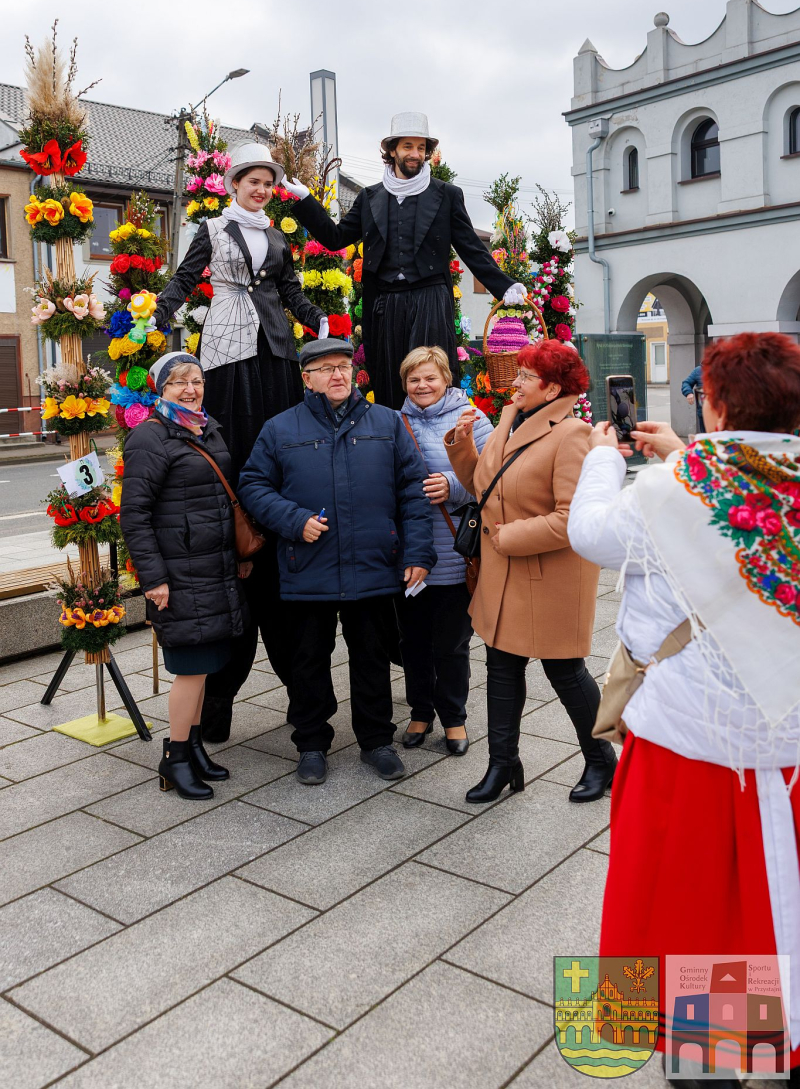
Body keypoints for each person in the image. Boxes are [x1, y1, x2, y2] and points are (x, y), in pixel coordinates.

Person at [568, 332, 800, 1086]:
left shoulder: (672, 488)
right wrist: (684, 452)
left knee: (685, 903)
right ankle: (781, 1033)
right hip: (791, 747)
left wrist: (604, 458)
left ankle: (704, 1057)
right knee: (780, 899)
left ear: (718, 405)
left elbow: (589, 533)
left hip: (690, 744)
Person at [153, 141, 328, 744]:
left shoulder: (278, 237)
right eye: (252, 181)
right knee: (231, 424)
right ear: (233, 184)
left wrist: (316, 319)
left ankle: (270, 491)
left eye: (267, 183)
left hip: (275, 343)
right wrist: (161, 311)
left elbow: (290, 290)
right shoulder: (211, 228)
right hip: (227, 343)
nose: (260, 190)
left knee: (275, 424)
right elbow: (185, 278)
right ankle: (237, 496)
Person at [237, 337, 436, 785]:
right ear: (306, 379)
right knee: (308, 660)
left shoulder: (387, 422)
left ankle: (377, 741)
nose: (337, 375)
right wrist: (293, 520)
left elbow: (413, 491)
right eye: (326, 369)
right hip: (310, 566)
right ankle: (311, 744)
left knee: (372, 657)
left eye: (343, 366)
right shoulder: (281, 428)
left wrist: (418, 552)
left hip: (373, 565)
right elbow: (252, 485)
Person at [445, 340, 616, 804]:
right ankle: (503, 765)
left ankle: (602, 760)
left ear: (553, 388)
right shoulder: (511, 418)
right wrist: (462, 444)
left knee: (566, 672)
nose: (515, 382)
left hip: (550, 574)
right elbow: (484, 488)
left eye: (525, 376)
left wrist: (510, 538)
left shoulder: (573, 434)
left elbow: (572, 518)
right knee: (501, 668)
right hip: (505, 574)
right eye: (518, 373)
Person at [282, 112, 529, 409]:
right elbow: (335, 238)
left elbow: (471, 248)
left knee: (430, 377)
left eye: (421, 148)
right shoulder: (370, 197)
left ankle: (439, 436)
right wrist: (306, 201)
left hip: (429, 299)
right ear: (392, 150)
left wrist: (503, 285)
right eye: (408, 146)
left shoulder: (447, 195)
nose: (415, 154)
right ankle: (395, 436)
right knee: (390, 381)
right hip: (386, 303)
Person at [120, 351, 248, 800]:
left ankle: (192, 748)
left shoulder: (205, 427)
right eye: (179, 382)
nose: (190, 389)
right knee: (191, 669)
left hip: (213, 568)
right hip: (178, 573)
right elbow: (134, 515)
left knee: (204, 665)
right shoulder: (149, 437)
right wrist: (154, 578)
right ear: (161, 390)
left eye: (196, 380)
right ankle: (174, 759)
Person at [396, 345, 494, 755]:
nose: (422, 386)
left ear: (446, 379)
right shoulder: (395, 422)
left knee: (452, 645)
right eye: (413, 379)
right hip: (410, 557)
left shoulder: (472, 419)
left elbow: (493, 476)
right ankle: (420, 711)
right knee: (413, 642)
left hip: (455, 552)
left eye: (430, 378)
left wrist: (453, 486)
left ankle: (454, 718)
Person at [681, 362, 704, 435]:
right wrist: (689, 393)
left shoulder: (724, 369)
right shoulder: (698, 370)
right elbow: (686, 383)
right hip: (703, 411)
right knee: (706, 436)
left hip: (722, 412)